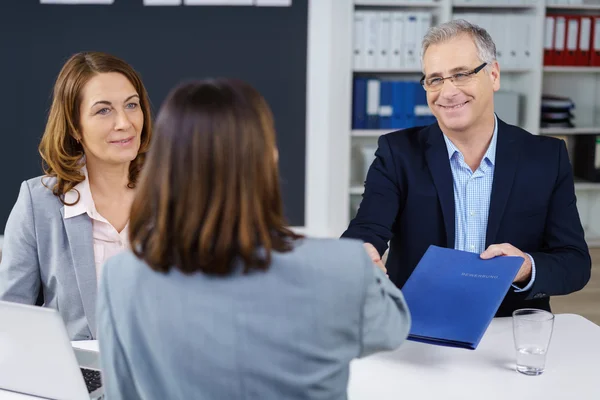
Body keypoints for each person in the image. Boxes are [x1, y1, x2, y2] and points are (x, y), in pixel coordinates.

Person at [96, 79, 411, 400]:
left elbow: (122, 392)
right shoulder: (342, 267)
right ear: (269, 160)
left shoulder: (121, 277)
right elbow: (392, 329)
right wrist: (369, 269)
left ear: (162, 168)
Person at [342, 19, 591, 317]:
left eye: (461, 74)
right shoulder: (398, 153)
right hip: (419, 323)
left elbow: (575, 263)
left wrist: (525, 267)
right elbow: (366, 229)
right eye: (434, 79)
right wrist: (360, 252)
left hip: (509, 324)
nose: (447, 92)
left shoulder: (546, 157)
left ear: (494, 75)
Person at [0, 51, 153, 340]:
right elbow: (10, 322)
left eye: (132, 105)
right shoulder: (38, 203)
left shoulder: (175, 196)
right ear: (74, 127)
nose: (124, 122)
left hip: (163, 377)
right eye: (103, 110)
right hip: (77, 376)